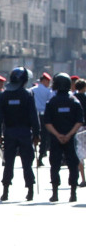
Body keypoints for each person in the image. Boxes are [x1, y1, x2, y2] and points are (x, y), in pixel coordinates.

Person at [0, 67, 40, 202]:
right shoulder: (27, 95)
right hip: (25, 132)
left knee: (8, 162)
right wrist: (37, 133)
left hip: (9, 132)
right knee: (27, 162)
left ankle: (5, 191)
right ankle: (30, 190)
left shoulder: (3, 95)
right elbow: (34, 116)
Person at [42, 73, 84, 202]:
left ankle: (55, 193)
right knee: (73, 165)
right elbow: (79, 121)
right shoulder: (74, 101)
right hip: (71, 139)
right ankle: (73, 193)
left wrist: (57, 134)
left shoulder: (51, 102)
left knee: (55, 165)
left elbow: (47, 122)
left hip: (56, 139)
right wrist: (69, 134)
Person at [30, 73, 54, 167]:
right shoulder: (48, 92)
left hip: (33, 115)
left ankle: (32, 156)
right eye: (48, 81)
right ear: (44, 81)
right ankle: (40, 157)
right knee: (44, 137)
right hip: (44, 116)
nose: (48, 83)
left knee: (32, 136)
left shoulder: (31, 90)